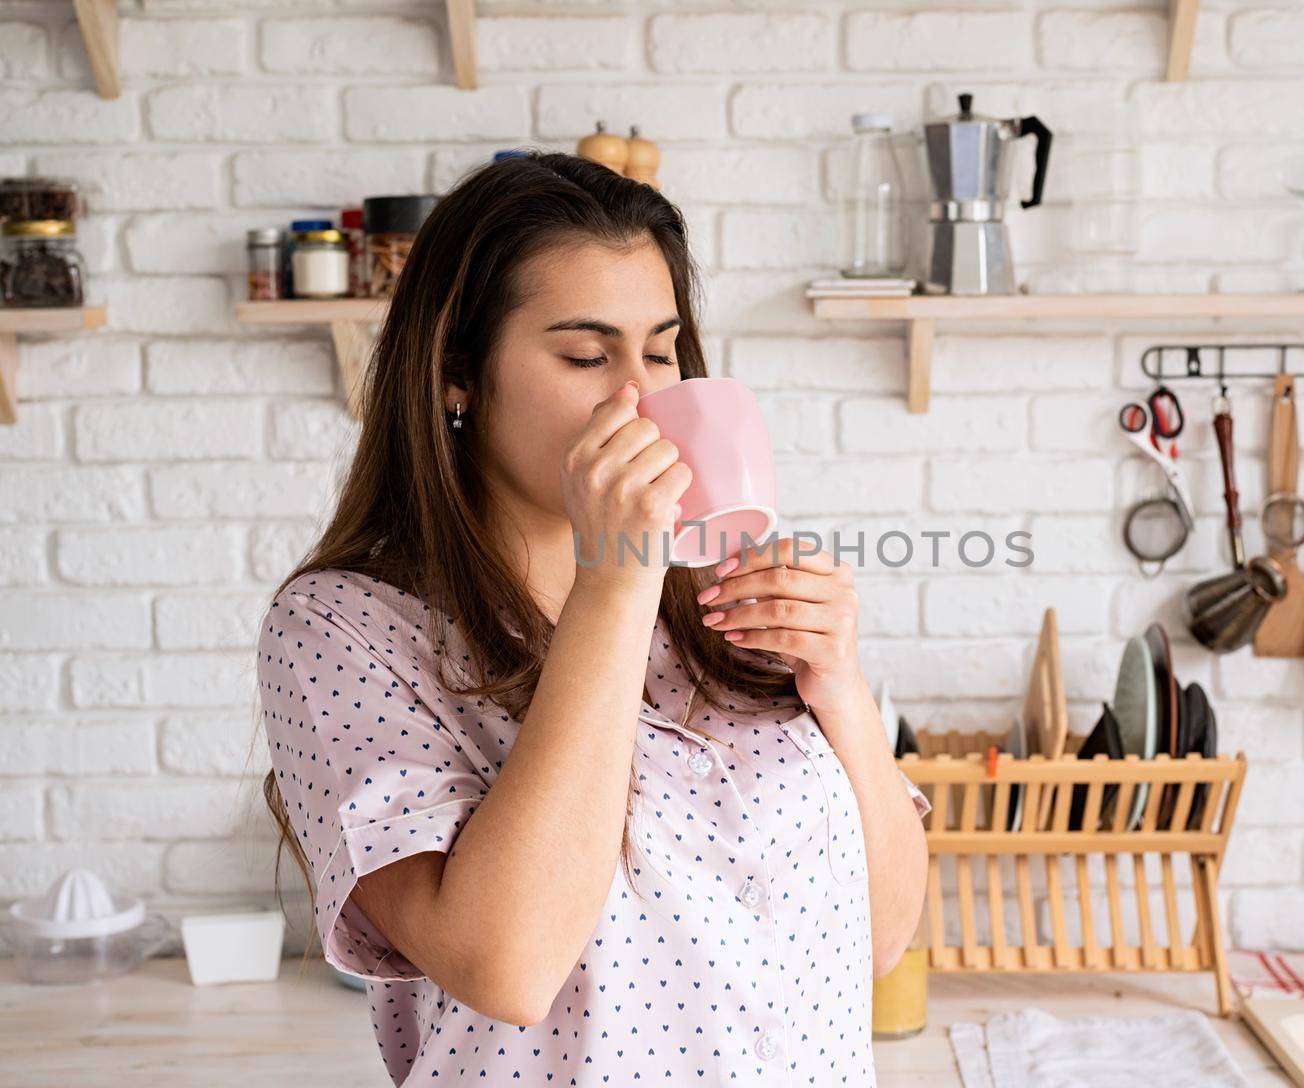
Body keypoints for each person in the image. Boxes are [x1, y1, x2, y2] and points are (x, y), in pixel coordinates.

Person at [255, 149, 932, 1086]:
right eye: (586, 354)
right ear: (457, 376)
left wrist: (841, 689)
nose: (643, 393)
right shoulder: (344, 629)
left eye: (660, 349)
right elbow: (509, 966)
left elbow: (880, 943)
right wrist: (613, 585)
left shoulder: (720, 592)